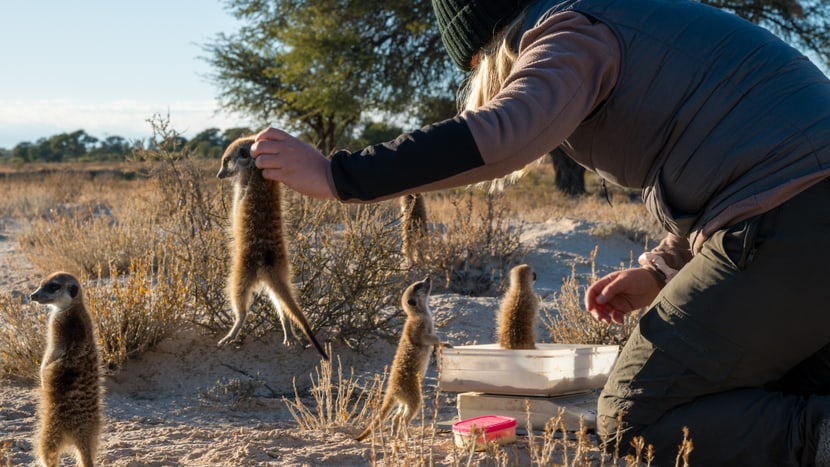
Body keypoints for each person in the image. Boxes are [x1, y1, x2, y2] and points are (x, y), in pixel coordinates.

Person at [250, 0, 830, 463]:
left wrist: (337, 174)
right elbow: (742, 153)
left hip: (794, 220)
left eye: (477, 67)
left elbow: (505, 134)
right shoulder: (631, 20)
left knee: (635, 417)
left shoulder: (572, 30)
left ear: (490, 45)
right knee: (787, 384)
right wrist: (662, 269)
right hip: (794, 216)